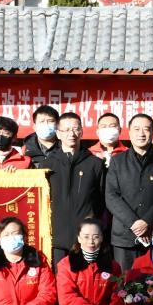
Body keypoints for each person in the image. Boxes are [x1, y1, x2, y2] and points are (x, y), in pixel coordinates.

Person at [105, 113, 153, 272]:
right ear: (129, 132)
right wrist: (134, 223)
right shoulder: (118, 161)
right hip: (124, 236)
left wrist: (146, 221)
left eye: (146, 129)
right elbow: (111, 196)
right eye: (136, 129)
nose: (141, 133)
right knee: (124, 282)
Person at [47, 112, 105, 267]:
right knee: (59, 278)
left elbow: (101, 200)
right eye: (66, 130)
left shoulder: (95, 164)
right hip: (56, 239)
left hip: (85, 239)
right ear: (58, 134)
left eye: (75, 129)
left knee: (86, 278)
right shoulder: (48, 164)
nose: (71, 134)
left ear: (81, 131)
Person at [22, 105, 61, 169]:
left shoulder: (66, 147)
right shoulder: (25, 150)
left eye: (50, 121)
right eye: (42, 121)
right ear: (34, 127)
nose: (46, 124)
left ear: (57, 125)